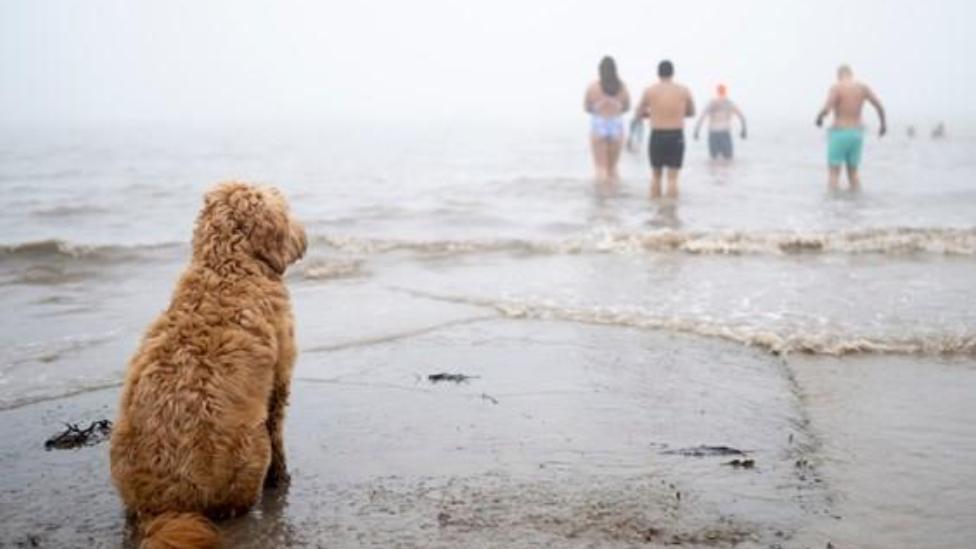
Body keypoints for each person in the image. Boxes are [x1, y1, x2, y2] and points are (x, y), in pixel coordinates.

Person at [815, 65, 886, 190]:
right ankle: (856, 204)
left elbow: (827, 108)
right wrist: (883, 125)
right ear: (851, 74)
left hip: (840, 133)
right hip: (857, 134)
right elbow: (879, 106)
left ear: (838, 75)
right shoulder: (862, 88)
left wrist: (819, 118)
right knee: (853, 174)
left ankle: (831, 205)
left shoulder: (837, 88)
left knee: (834, 173)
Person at [635, 60, 695, 198]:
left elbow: (638, 113)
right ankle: (671, 213)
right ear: (672, 73)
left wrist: (651, 114)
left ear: (658, 73)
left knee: (656, 176)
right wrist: (677, 113)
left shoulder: (650, 91)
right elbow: (691, 112)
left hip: (657, 135)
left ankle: (656, 212)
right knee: (673, 179)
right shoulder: (683, 90)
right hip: (676, 136)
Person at [584, 56, 630, 184]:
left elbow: (587, 107)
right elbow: (627, 107)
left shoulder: (593, 87)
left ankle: (602, 200)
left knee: (600, 168)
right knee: (613, 168)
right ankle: (614, 198)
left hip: (599, 124)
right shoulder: (622, 87)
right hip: (616, 124)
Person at [694, 84, 747, 160]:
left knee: (713, 159)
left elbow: (702, 117)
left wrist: (696, 131)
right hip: (724, 132)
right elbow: (741, 117)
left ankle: (713, 172)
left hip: (713, 132)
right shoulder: (729, 103)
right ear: (725, 92)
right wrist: (744, 130)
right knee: (728, 159)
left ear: (717, 91)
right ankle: (727, 172)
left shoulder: (712, 103)